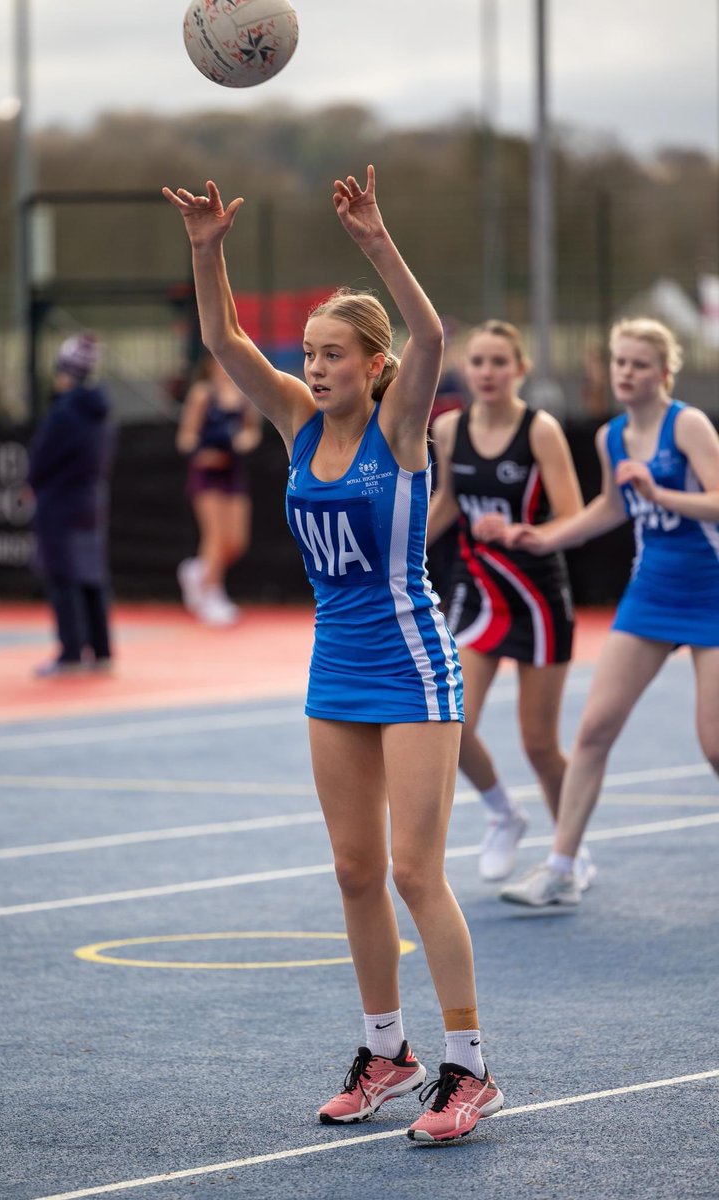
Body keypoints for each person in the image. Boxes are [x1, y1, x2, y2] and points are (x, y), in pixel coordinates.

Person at [163, 165, 504, 1143]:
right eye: (307, 354)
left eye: (331, 355)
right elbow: (224, 339)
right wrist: (205, 244)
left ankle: (468, 1067)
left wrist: (375, 241)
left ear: (371, 364)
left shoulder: (400, 431)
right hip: (334, 668)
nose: (313, 368)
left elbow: (431, 336)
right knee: (354, 870)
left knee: (412, 872)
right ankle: (385, 1051)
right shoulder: (293, 424)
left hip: (413, 665)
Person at [500, 318, 719, 908]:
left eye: (639, 364)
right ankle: (563, 866)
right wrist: (547, 538)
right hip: (651, 592)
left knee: (715, 744)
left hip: (712, 591)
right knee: (594, 730)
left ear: (663, 373)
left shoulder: (688, 424)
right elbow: (609, 506)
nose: (626, 372)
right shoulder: (611, 437)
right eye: (619, 362)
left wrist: (661, 494)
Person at [427, 320, 588, 885]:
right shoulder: (449, 429)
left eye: (500, 362)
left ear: (520, 369)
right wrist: (404, 544)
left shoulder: (539, 430)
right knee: (450, 720)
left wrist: (524, 531)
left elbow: (572, 513)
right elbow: (448, 499)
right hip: (477, 594)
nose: (488, 372)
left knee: (540, 743)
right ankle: (502, 812)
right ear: (466, 370)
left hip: (537, 596)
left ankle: (572, 849)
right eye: (479, 362)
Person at [27, 333, 115, 677]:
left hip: (60, 502)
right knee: (92, 575)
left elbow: (42, 458)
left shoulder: (63, 412)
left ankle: (72, 653)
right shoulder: (100, 412)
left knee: (63, 576)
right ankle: (102, 650)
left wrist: (33, 483)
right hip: (91, 500)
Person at [175, 349, 262, 625]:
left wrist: (240, 442)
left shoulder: (245, 396)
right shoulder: (203, 394)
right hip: (206, 473)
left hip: (232, 472)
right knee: (215, 536)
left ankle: (197, 570)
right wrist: (202, 451)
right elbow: (186, 437)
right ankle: (212, 595)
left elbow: (251, 432)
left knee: (235, 541)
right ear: (212, 365)